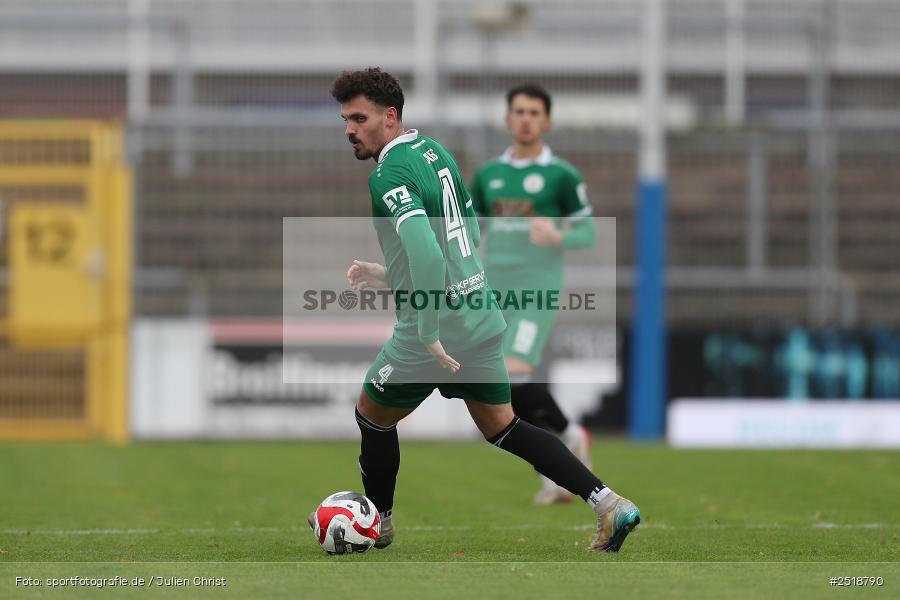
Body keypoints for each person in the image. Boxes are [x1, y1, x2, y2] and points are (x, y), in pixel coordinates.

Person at [311, 67, 639, 553]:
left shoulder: (388, 173)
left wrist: (425, 329)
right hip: (478, 313)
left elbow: (426, 252)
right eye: (345, 119)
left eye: (359, 118)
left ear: (390, 116)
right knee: (504, 426)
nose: (349, 129)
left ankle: (379, 521)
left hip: (437, 323)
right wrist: (388, 275)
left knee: (372, 416)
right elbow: (460, 238)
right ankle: (609, 504)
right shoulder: (435, 152)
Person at [469, 84, 596, 505]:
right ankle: (559, 459)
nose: (525, 118)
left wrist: (557, 232)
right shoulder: (489, 176)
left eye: (534, 112)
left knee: (514, 371)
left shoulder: (561, 175)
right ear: (508, 119)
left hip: (536, 291)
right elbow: (471, 231)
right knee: (506, 383)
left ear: (546, 121)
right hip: (494, 290)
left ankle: (569, 434)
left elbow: (589, 231)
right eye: (519, 111)